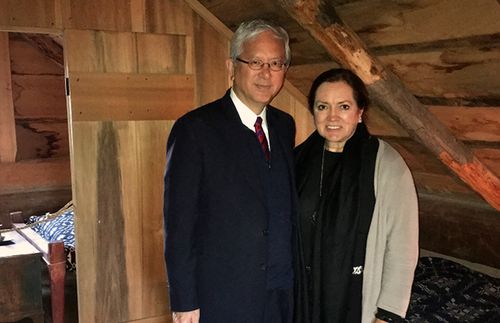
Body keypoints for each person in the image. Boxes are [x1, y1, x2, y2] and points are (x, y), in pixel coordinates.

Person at [163, 19, 297, 323]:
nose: (266, 73)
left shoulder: (284, 125)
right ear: (231, 67)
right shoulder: (195, 129)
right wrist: (184, 301)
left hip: (280, 292)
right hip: (222, 297)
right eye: (255, 62)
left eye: (276, 63)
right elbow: (179, 224)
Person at [293, 68, 419, 323]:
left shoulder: (387, 165)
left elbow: (402, 247)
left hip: (355, 300)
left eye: (343, 106)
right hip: (301, 297)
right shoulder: (297, 160)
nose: (332, 117)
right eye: (322, 106)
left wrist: (387, 314)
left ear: (360, 112)